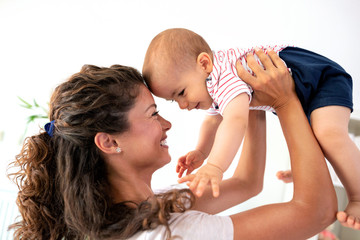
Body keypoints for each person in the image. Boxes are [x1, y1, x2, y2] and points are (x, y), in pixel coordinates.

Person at [8, 53, 337, 240]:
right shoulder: (170, 233)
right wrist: (285, 100)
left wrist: (243, 95)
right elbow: (315, 212)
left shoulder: (147, 210)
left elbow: (248, 183)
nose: (167, 124)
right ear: (109, 142)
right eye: (153, 114)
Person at [142, 28, 360, 230]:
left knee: (328, 135)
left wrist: (216, 166)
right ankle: (321, 169)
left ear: (205, 63)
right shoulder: (211, 84)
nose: (182, 105)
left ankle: (358, 197)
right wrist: (201, 151)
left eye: (181, 92)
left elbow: (236, 121)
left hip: (319, 78)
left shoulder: (224, 78)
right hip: (304, 91)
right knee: (314, 137)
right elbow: (212, 121)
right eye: (173, 100)